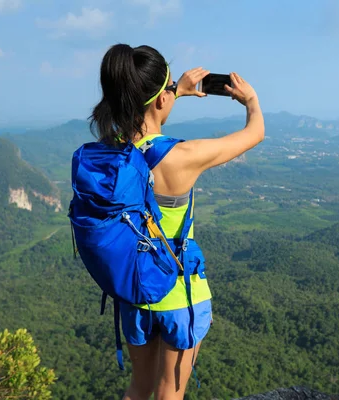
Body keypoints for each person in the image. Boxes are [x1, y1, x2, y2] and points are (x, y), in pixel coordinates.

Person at [88, 43, 265, 400]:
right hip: (178, 294)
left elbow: (143, 124)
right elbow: (254, 133)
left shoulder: (110, 150)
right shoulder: (182, 157)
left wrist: (174, 92)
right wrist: (251, 101)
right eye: (168, 90)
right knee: (171, 391)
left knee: (139, 388)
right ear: (160, 100)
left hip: (134, 293)